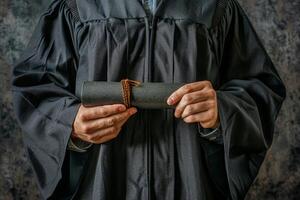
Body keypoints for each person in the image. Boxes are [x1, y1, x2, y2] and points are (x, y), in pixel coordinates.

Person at [11, 0, 286, 199]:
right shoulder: (77, 6)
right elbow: (36, 88)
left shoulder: (216, 7)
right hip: (103, 180)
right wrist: (69, 121)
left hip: (191, 182)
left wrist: (222, 110)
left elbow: (260, 88)